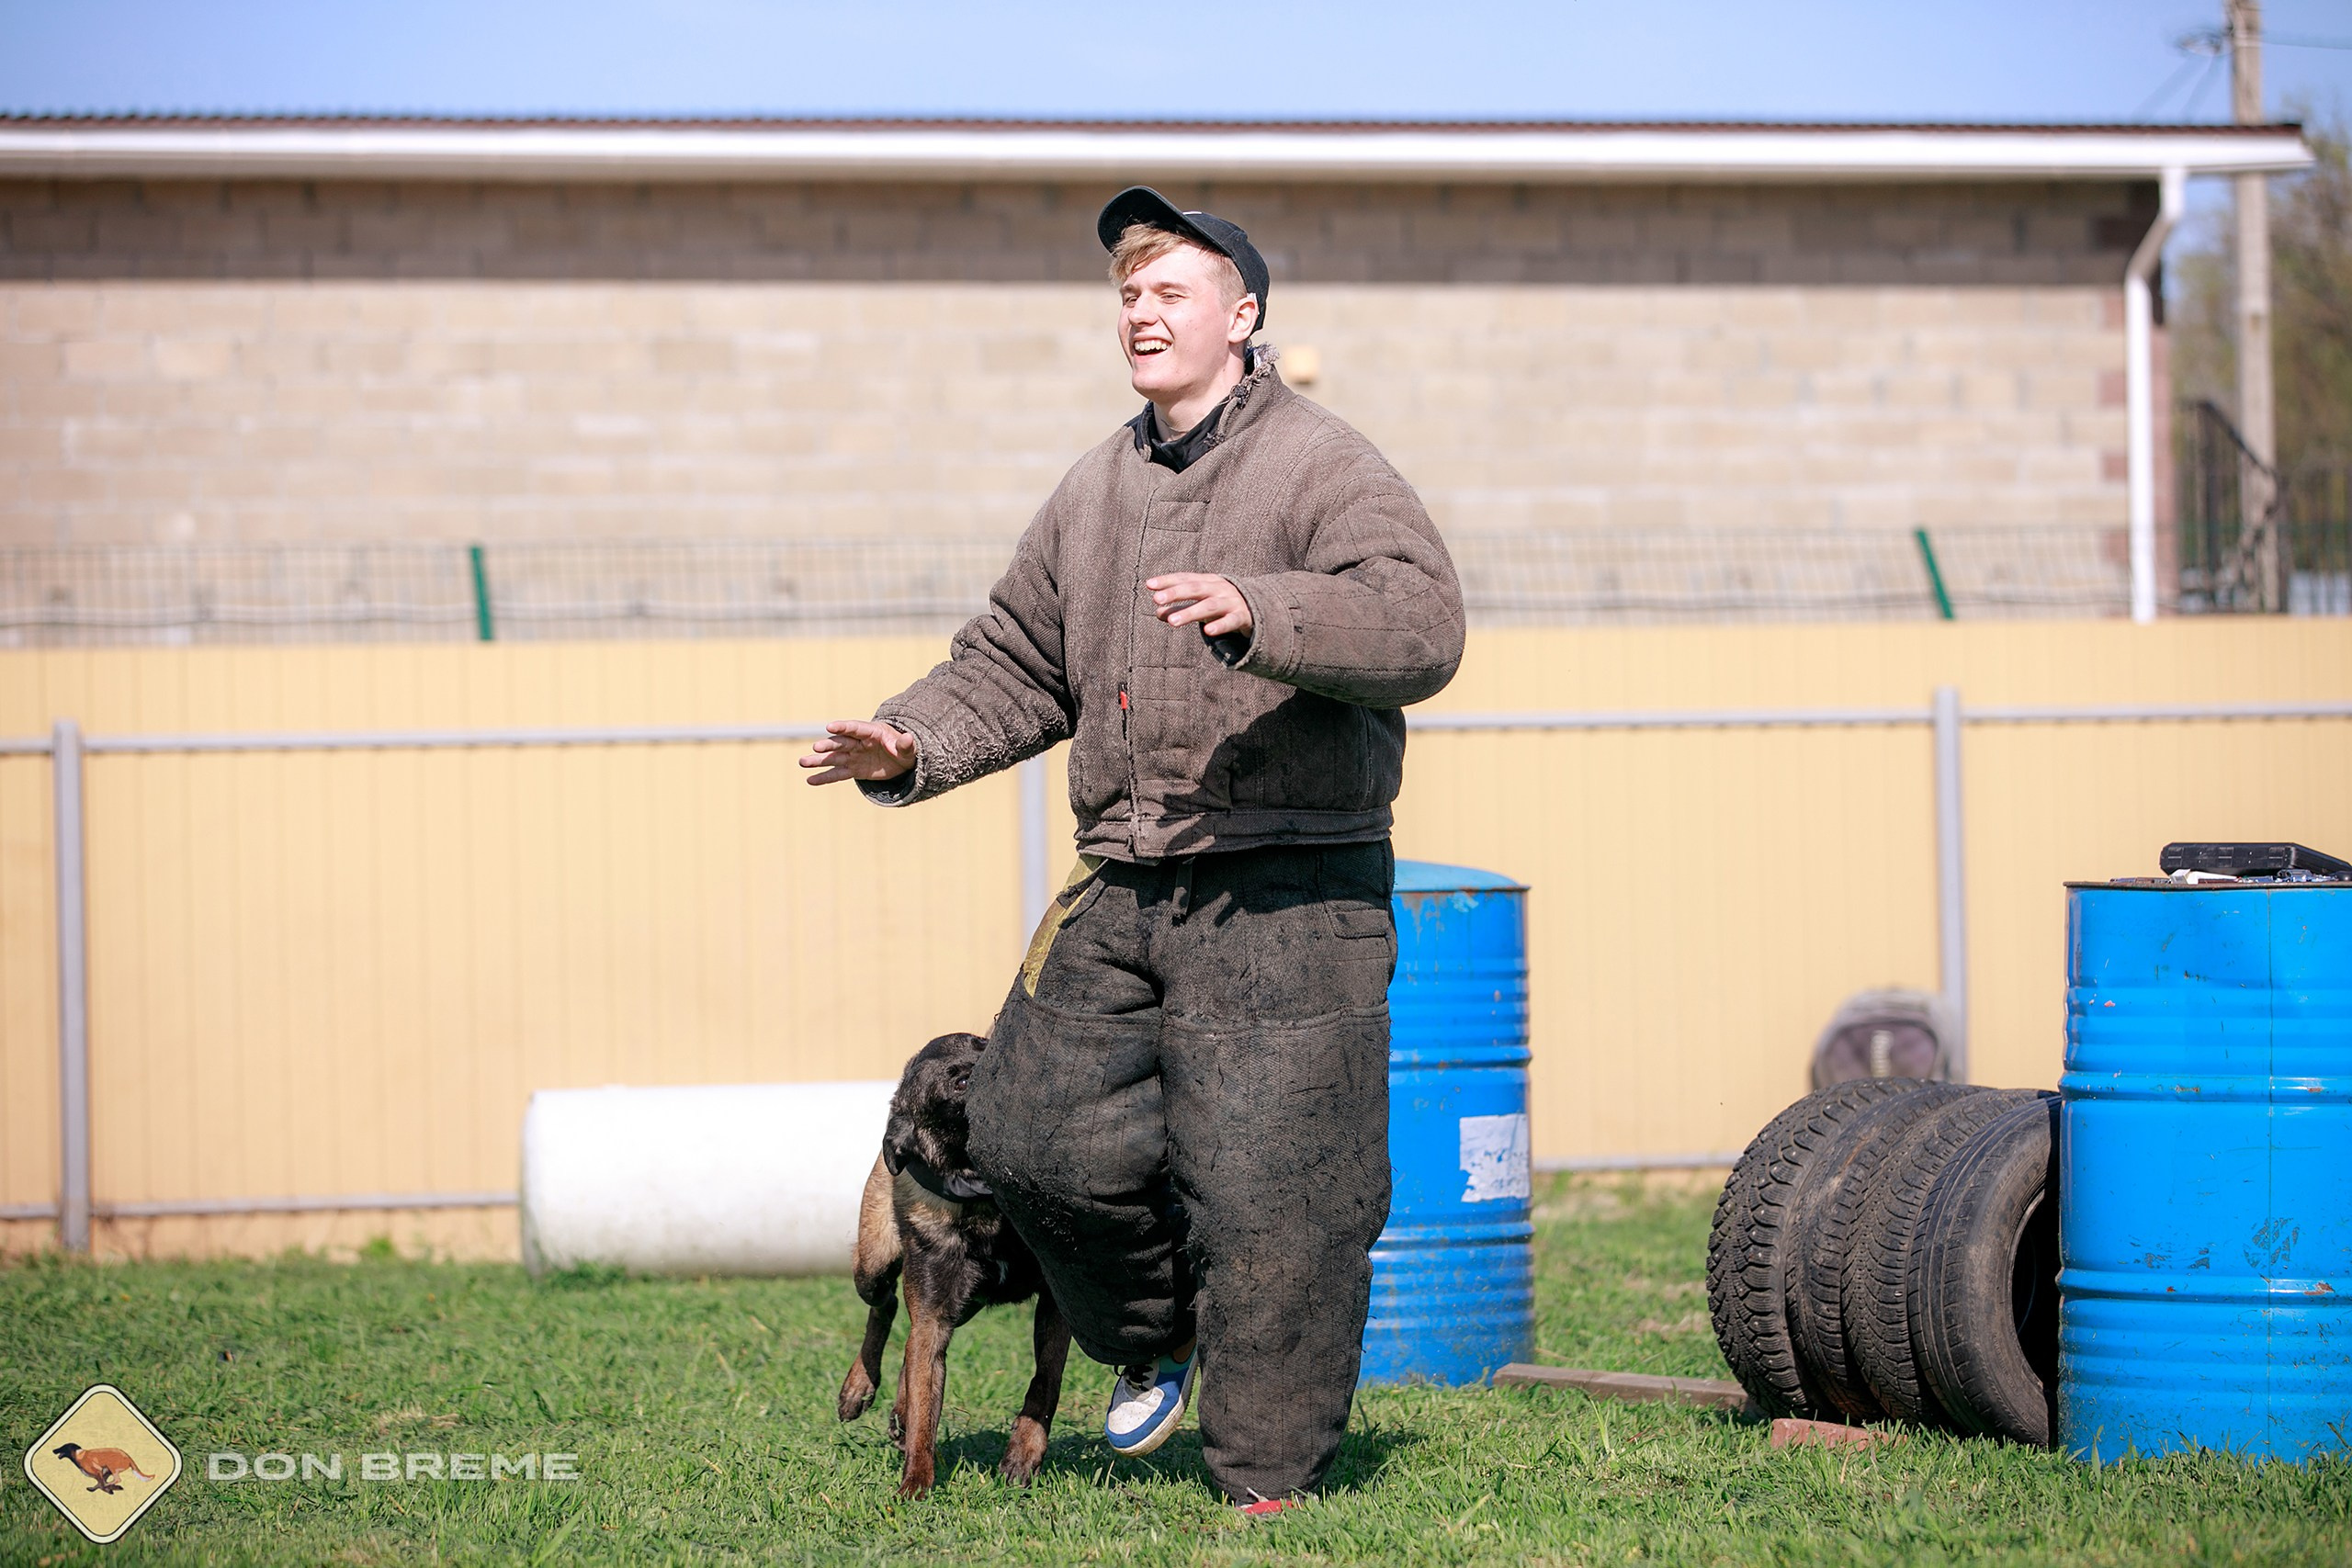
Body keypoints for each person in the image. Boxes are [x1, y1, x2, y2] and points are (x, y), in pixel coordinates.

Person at [800, 186, 1464, 1507]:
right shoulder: (1093, 486)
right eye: (1127, 295)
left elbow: (1419, 621)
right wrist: (910, 744)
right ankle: (1156, 1330)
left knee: (1281, 1201)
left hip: (1290, 887)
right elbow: (1014, 662)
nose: (1142, 312)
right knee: (1029, 1131)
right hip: (1126, 875)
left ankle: (1266, 1481)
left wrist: (1262, 610)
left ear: (1245, 315)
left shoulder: (1323, 463)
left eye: (1171, 291)